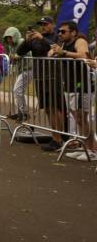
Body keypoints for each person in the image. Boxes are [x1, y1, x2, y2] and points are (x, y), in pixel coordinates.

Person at [16, 16, 63, 151]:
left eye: (45, 24)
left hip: (53, 77)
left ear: (52, 24)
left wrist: (42, 39)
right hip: (39, 77)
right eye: (41, 24)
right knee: (47, 108)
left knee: (55, 108)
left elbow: (57, 49)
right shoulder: (35, 38)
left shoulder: (57, 36)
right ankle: (55, 137)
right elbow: (19, 52)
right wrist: (26, 40)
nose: (43, 26)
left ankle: (60, 137)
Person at [49, 21, 93, 161]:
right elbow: (52, 55)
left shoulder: (80, 41)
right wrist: (54, 52)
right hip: (70, 85)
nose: (60, 34)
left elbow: (84, 55)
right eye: (59, 31)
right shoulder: (62, 44)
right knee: (77, 118)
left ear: (73, 32)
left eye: (63, 31)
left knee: (82, 118)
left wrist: (63, 53)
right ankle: (84, 147)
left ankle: (92, 150)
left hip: (82, 85)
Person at [2, 27, 30, 122]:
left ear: (15, 36)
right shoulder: (11, 46)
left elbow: (25, 54)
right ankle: (20, 112)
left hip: (28, 69)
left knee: (17, 90)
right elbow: (11, 57)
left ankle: (24, 113)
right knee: (18, 91)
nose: (8, 40)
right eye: (7, 38)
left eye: (10, 37)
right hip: (20, 70)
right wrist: (13, 58)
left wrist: (15, 57)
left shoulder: (21, 42)